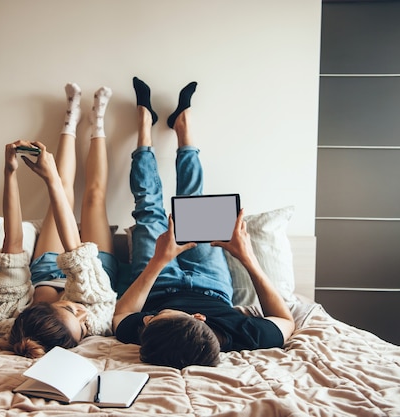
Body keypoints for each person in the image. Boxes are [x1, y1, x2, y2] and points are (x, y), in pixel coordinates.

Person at [112, 77, 295, 369]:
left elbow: (120, 317)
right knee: (194, 204)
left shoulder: (154, 336)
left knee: (148, 208)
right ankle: (184, 127)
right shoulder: (243, 333)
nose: (145, 318)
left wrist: (159, 262)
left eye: (147, 321)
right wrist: (246, 257)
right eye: (153, 316)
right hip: (213, 283)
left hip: (158, 284)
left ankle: (144, 127)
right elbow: (286, 320)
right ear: (199, 318)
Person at [0, 84, 118, 358]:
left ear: (35, 310)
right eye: (82, 329)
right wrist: (49, 178)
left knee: (61, 191)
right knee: (94, 198)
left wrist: (9, 172)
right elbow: (79, 256)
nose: (81, 313)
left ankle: (69, 121)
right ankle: (97, 124)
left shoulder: (3, 317)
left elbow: (13, 243)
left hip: (44, 272)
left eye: (69, 310)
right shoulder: (96, 318)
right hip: (95, 274)